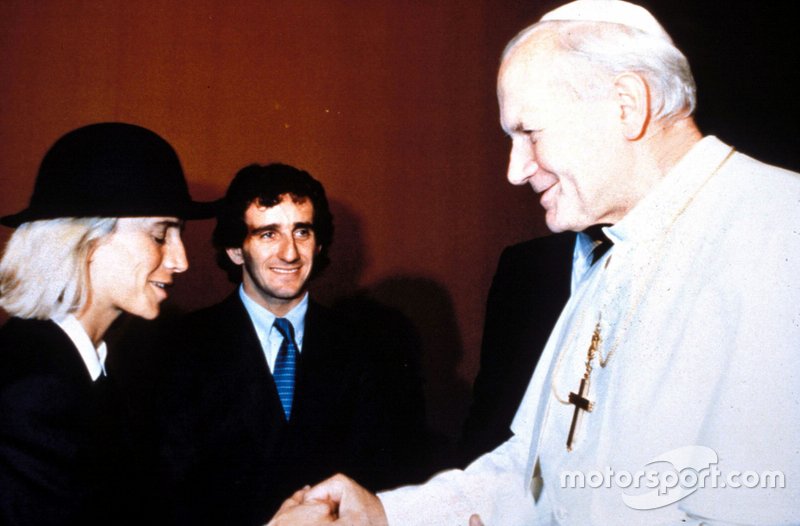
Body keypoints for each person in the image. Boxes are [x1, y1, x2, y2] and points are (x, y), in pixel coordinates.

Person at [269, 1, 800, 524]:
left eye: (529, 132)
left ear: (627, 105)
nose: (516, 170)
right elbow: (536, 475)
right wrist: (387, 514)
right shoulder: (612, 253)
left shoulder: (780, 232)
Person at [152, 163, 413, 525]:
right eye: (268, 234)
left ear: (318, 243)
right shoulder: (177, 346)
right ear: (235, 250)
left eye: (302, 232)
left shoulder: (368, 346)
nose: (290, 253)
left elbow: (390, 477)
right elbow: (165, 494)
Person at [0, 122, 215, 525]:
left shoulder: (93, 368)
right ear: (87, 239)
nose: (180, 260)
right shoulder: (32, 393)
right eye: (160, 235)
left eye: (179, 234)